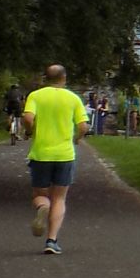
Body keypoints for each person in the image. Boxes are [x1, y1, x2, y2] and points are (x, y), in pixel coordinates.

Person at [22, 63, 89, 255]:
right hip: (65, 155)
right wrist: (77, 138)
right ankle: (51, 241)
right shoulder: (73, 98)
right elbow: (83, 126)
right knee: (59, 197)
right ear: (64, 78)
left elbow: (27, 118)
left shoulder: (35, 96)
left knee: (40, 194)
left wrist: (29, 131)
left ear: (46, 78)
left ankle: (43, 207)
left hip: (41, 154)